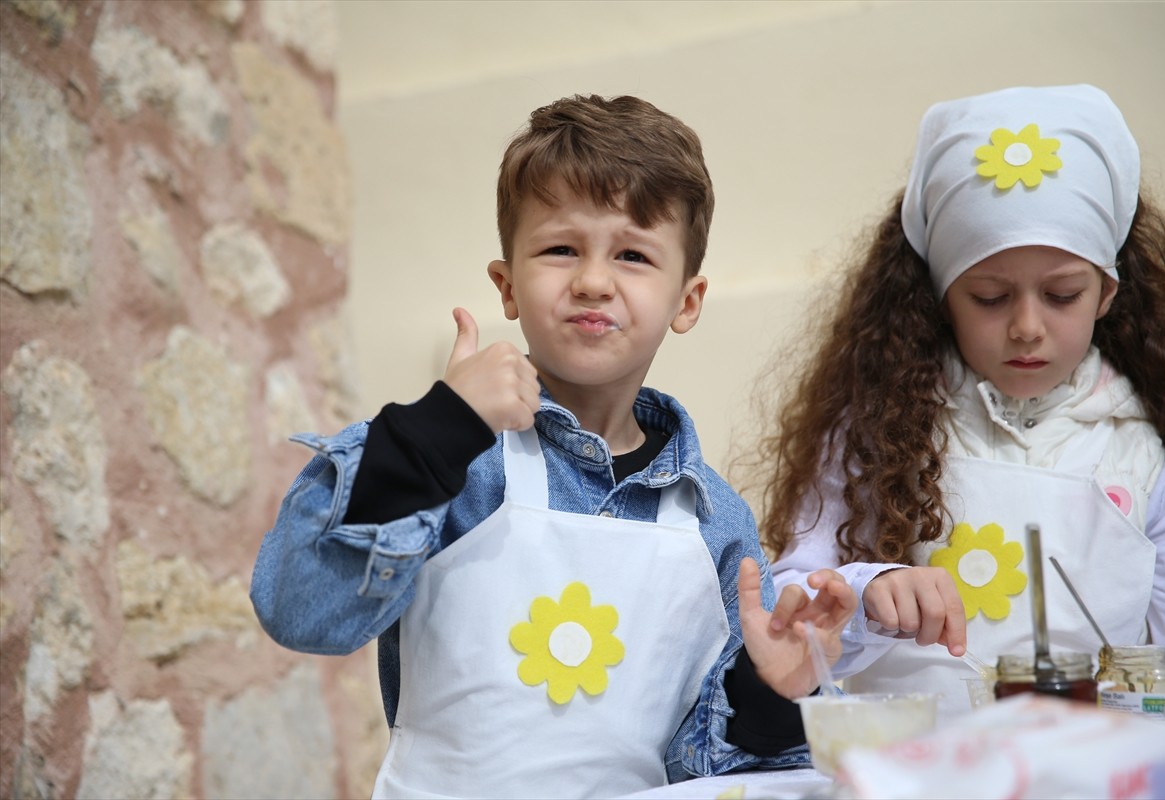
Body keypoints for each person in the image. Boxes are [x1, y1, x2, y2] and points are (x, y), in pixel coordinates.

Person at [250, 94, 857, 798]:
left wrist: (769, 697)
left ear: (686, 302)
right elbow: (301, 612)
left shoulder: (716, 521)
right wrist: (436, 430)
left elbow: (709, 774)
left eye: (632, 255)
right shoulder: (447, 454)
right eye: (560, 249)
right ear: (507, 286)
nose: (593, 281)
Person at [751, 84, 1165, 717]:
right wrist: (869, 589)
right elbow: (790, 605)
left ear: (1107, 294)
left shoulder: (1144, 458)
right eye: (989, 297)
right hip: (914, 773)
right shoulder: (879, 434)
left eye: (1062, 295)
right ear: (939, 297)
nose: (1026, 327)